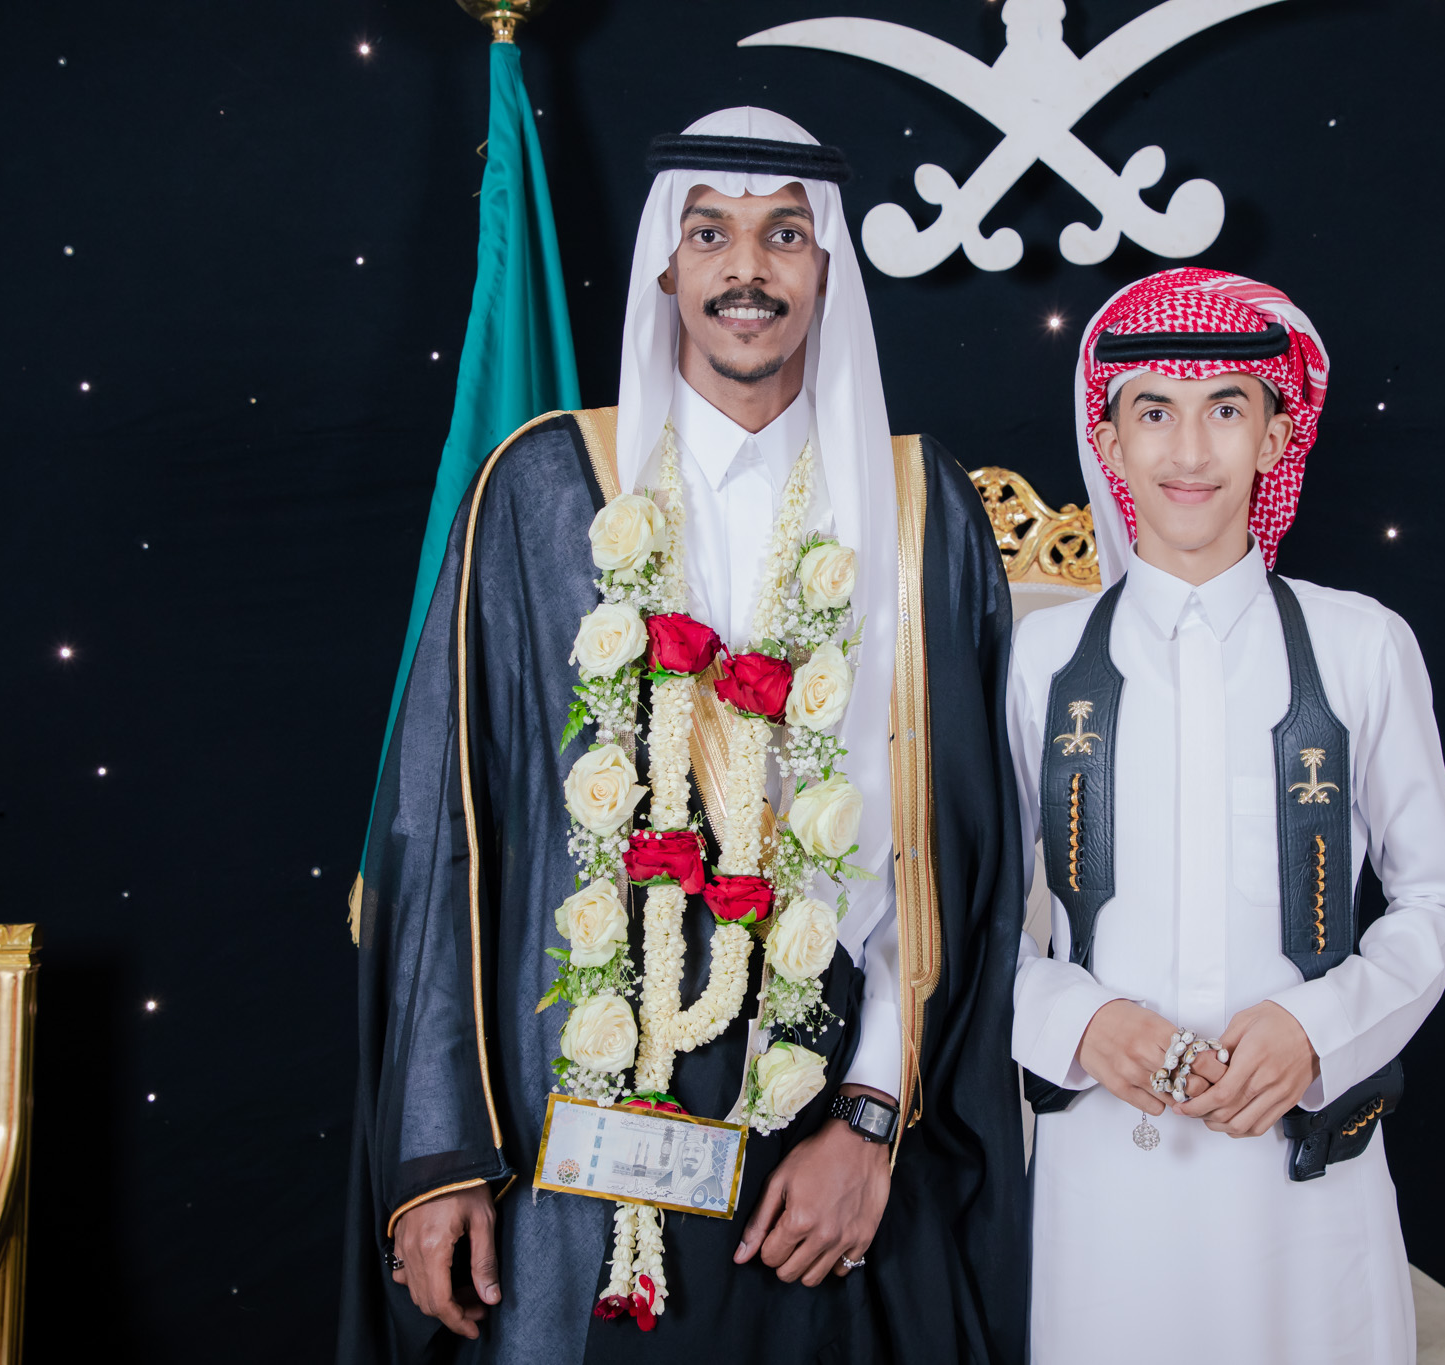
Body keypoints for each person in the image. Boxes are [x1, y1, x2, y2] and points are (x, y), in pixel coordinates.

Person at [337, 108, 1028, 1365]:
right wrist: (440, 1150)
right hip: (563, 1128)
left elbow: (956, 867)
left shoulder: (917, 510)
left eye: (784, 236)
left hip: (819, 1132)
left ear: (827, 268)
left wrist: (870, 1118)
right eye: (709, 235)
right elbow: (442, 833)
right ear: (665, 264)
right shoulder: (545, 490)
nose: (745, 270)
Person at [1008, 268, 1445, 1364]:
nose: (1189, 450)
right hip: (1102, 1180)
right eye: (1154, 413)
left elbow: (1439, 901)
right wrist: (1076, 1020)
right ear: (1110, 442)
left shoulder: (1361, 645)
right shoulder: (1040, 659)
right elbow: (968, 911)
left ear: (1276, 436)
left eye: (1225, 409)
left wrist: (1317, 1028)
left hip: (1305, 1184)